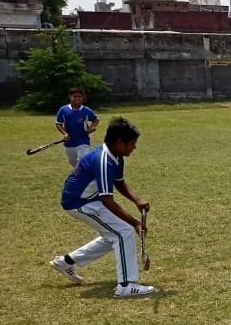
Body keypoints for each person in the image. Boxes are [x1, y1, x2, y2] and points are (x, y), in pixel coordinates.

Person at [49, 117, 155, 297]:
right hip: (78, 203)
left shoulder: (116, 155)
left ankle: (67, 262)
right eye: (132, 143)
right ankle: (126, 285)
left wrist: (136, 199)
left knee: (113, 234)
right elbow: (107, 200)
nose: (134, 148)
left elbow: (119, 182)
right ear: (119, 142)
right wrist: (135, 223)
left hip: (90, 199)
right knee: (124, 232)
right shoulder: (103, 160)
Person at [54, 87, 100, 166]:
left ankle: (89, 175)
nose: (77, 98)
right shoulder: (64, 110)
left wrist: (91, 128)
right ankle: (82, 174)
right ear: (70, 97)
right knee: (72, 162)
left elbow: (96, 119)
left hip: (83, 140)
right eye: (74, 96)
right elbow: (58, 123)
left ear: (82, 98)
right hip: (69, 141)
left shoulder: (86, 110)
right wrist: (65, 134)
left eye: (79, 96)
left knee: (83, 159)